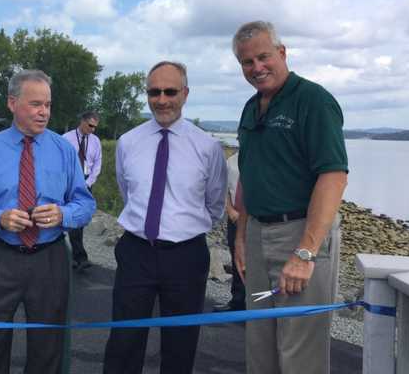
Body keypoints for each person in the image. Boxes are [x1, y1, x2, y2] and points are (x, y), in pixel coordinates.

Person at [0, 69, 95, 374]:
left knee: (48, 347)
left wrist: (63, 215)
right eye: (35, 104)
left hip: (50, 258)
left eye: (47, 104)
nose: (43, 112)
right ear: (11, 103)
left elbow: (85, 203)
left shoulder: (64, 150)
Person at [232, 21, 348, 374]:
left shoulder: (313, 100)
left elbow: (333, 177)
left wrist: (305, 252)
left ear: (282, 53)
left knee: (300, 353)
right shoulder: (251, 109)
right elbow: (251, 176)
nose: (257, 68)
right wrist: (240, 236)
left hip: (299, 234)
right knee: (259, 344)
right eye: (247, 62)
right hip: (256, 235)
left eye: (264, 57)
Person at [103, 61, 227, 374]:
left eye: (170, 91)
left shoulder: (208, 147)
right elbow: (127, 191)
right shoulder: (128, 142)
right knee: (124, 341)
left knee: (180, 344)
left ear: (185, 94)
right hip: (136, 252)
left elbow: (214, 203)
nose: (161, 99)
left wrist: (182, 228)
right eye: (153, 92)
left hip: (186, 255)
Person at [62, 110, 102, 270]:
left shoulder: (96, 141)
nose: (93, 129)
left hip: (86, 183)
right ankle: (79, 257)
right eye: (91, 125)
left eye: (95, 127)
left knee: (79, 219)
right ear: (83, 121)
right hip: (69, 182)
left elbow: (98, 163)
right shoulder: (66, 139)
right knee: (72, 218)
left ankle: (74, 257)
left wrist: (89, 182)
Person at [213, 151, 246, 312]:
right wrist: (230, 211)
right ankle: (237, 302)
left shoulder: (262, 157)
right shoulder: (231, 161)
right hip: (234, 217)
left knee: (255, 264)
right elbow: (224, 189)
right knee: (236, 259)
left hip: (254, 220)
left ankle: (253, 306)